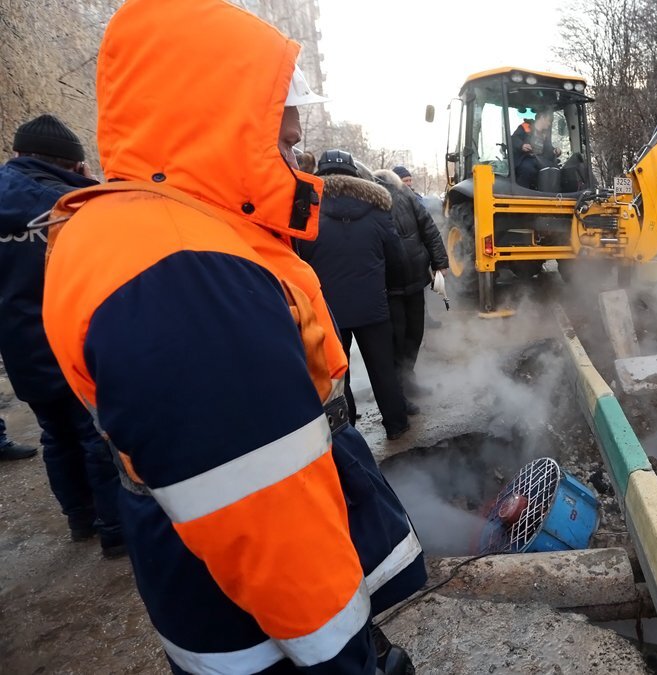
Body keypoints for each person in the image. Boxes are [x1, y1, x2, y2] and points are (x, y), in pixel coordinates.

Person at [39, 1, 425, 672]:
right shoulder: (185, 274)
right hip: (268, 642)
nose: (293, 161)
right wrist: (348, 657)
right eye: (282, 141)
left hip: (217, 609)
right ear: (218, 126)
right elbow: (269, 516)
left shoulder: (143, 235)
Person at [0, 114, 125, 556]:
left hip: (20, 347)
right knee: (95, 436)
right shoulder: (74, 204)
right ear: (75, 164)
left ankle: (79, 519)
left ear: (17, 155)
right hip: (75, 341)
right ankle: (114, 530)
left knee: (54, 433)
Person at [297, 150, 415, 437]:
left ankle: (348, 429)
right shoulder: (377, 209)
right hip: (373, 305)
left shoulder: (307, 212)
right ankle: (396, 425)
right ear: (355, 175)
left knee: (340, 372)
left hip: (328, 311)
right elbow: (397, 257)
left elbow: (299, 260)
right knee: (383, 369)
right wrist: (391, 288)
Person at [374, 168, 449, 397]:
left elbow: (429, 229)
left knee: (415, 332)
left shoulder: (407, 196)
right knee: (397, 335)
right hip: (390, 285)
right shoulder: (371, 200)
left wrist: (439, 262)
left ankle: (408, 379)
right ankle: (398, 389)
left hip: (416, 279)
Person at [512, 108, 560, 189]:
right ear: (542, 117)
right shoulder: (525, 127)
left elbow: (548, 148)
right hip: (525, 159)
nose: (549, 124)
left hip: (540, 160)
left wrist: (554, 151)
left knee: (554, 169)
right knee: (527, 168)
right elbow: (513, 139)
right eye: (548, 121)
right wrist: (521, 145)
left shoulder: (545, 134)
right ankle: (522, 193)